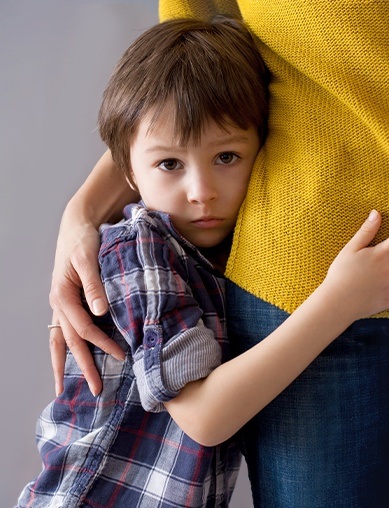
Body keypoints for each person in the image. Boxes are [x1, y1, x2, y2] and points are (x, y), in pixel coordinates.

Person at [47, 2, 389, 507]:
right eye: (169, 164)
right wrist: (341, 298)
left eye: (226, 157)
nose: (202, 191)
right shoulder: (138, 254)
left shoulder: (197, 243)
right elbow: (205, 418)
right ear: (130, 172)